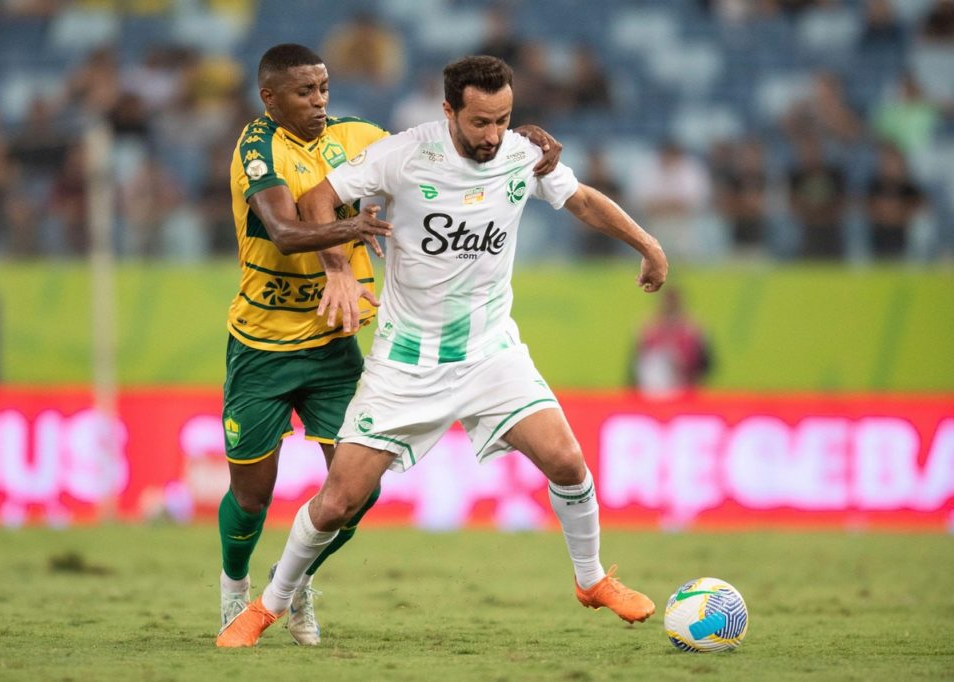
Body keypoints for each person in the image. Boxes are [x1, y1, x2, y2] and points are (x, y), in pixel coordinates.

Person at [217, 55, 668, 648]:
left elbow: (579, 199)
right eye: (480, 122)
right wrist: (338, 270)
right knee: (338, 503)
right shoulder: (403, 154)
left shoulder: (520, 152)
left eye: (503, 120)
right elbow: (317, 200)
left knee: (567, 461)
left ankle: (590, 580)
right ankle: (266, 605)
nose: (492, 136)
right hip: (407, 361)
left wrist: (648, 245)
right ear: (449, 110)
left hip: (491, 352)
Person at [629, 287, 713, 398]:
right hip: (653, 391)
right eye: (667, 302)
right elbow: (636, 364)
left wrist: (688, 370)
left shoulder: (692, 329)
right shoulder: (649, 329)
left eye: (673, 302)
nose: (670, 306)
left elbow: (706, 363)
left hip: (685, 388)